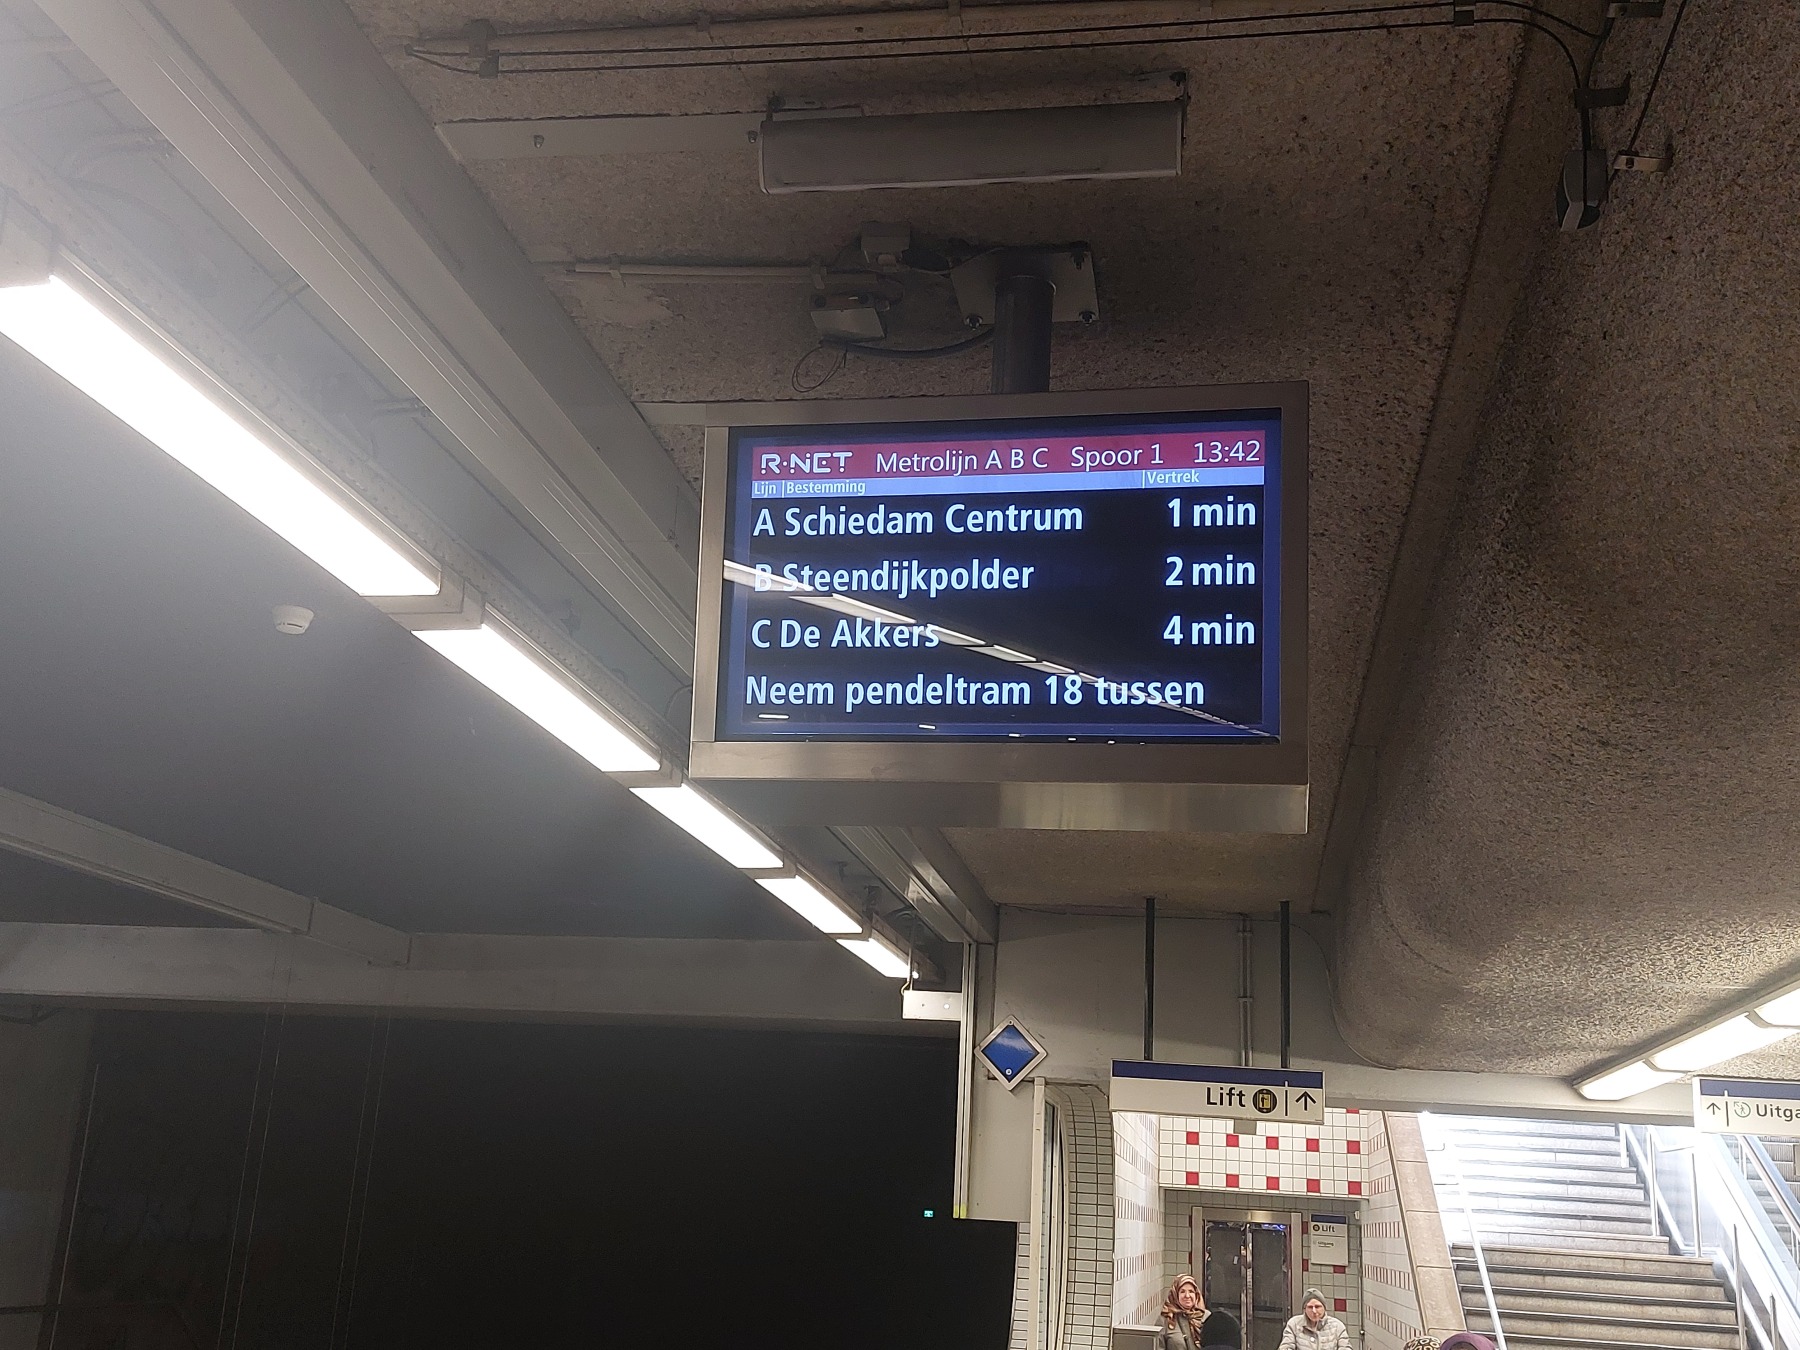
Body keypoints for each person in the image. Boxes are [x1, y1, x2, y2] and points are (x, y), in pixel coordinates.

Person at [1159, 1275, 1241, 1350]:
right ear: (1175, 1294)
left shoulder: (1207, 1317)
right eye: (1182, 1291)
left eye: (1191, 1291)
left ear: (1196, 1294)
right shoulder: (1166, 1319)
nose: (1187, 1295)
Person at [1278, 1289, 1351, 1350]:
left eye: (1317, 1307)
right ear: (1305, 1309)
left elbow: (1345, 1347)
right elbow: (1286, 1346)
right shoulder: (1294, 1324)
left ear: (1324, 1307)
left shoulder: (1337, 1326)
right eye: (1310, 1307)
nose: (1314, 1311)